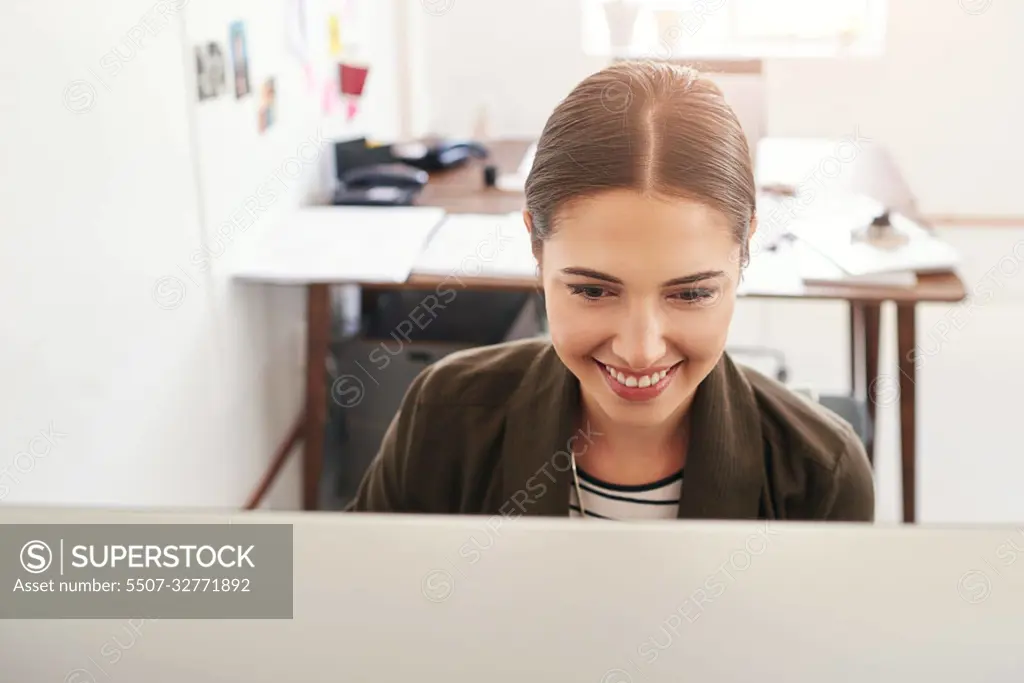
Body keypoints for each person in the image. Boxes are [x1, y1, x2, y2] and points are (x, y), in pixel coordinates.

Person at [346, 60, 874, 521]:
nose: (640, 349)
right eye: (594, 292)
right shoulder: (445, 414)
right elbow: (347, 601)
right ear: (535, 243)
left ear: (744, 250)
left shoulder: (820, 474)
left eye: (690, 295)